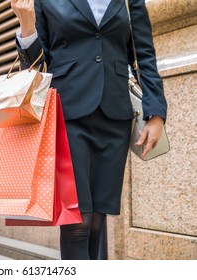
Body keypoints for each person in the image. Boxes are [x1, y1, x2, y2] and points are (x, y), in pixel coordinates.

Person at [11, 0, 167, 260]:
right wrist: (27, 25)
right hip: (68, 115)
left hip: (114, 117)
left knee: (96, 220)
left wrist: (156, 112)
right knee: (77, 222)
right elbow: (35, 67)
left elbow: (145, 56)